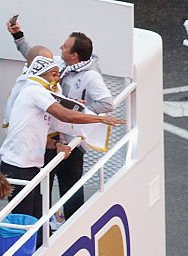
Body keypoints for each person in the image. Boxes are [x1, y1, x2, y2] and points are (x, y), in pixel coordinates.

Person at [8, 18, 114, 218]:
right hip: (50, 136)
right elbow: (35, 58)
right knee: (43, 185)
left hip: (70, 139)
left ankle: (74, 225)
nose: (60, 48)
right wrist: (18, 37)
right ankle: (44, 226)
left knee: (71, 185)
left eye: (65, 47)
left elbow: (107, 104)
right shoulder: (59, 63)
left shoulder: (91, 76)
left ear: (74, 55)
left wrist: (78, 107)